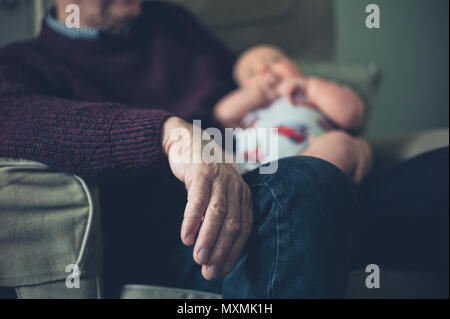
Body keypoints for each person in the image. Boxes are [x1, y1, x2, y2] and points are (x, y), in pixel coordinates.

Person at [0, 0, 447, 298]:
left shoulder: (170, 22)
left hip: (279, 179)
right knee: (309, 184)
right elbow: (16, 116)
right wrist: (169, 134)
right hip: (195, 225)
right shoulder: (24, 62)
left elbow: (249, 78)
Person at [215, 45, 372, 182]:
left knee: (340, 144)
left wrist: (310, 87)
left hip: (311, 160)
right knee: (215, 162)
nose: (264, 69)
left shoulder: (312, 95)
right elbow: (222, 114)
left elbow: (351, 114)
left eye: (274, 60)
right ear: (242, 90)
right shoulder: (247, 115)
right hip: (255, 173)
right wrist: (259, 94)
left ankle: (304, 188)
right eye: (251, 73)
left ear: (298, 67)